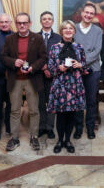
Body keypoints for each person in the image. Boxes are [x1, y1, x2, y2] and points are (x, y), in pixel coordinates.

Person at [2, 12, 47, 151]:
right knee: (14, 110)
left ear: (30, 24)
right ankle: (14, 138)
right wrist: (14, 61)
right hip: (15, 79)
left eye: (25, 23)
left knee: (34, 110)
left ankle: (34, 136)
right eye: (19, 23)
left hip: (32, 79)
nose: (22, 25)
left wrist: (33, 67)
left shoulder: (38, 38)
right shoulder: (9, 39)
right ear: (16, 24)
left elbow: (43, 57)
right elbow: (3, 56)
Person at [47, 20, 86, 153]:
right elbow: (51, 68)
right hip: (60, 85)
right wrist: (59, 68)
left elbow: (85, 67)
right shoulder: (54, 47)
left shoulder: (79, 47)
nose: (68, 31)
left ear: (74, 31)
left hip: (75, 85)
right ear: (61, 31)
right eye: (65, 29)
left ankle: (68, 140)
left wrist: (80, 65)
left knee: (71, 115)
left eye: (71, 28)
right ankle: (59, 140)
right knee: (61, 115)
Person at [74, 3, 102, 140]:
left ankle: (90, 128)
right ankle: (78, 128)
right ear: (82, 13)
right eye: (86, 12)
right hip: (76, 71)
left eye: (91, 13)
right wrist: (78, 64)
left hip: (93, 70)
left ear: (94, 15)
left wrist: (82, 62)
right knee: (78, 101)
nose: (88, 15)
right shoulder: (73, 28)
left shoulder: (98, 31)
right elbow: (71, 48)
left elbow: (97, 51)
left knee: (91, 101)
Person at [37, 11, 61, 139]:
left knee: (52, 103)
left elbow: (60, 57)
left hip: (54, 76)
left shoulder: (58, 38)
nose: (47, 21)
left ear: (52, 21)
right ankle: (41, 127)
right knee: (40, 103)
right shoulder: (34, 37)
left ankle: (50, 128)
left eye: (49, 19)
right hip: (38, 76)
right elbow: (32, 56)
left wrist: (50, 70)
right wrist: (42, 67)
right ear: (41, 21)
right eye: (44, 19)